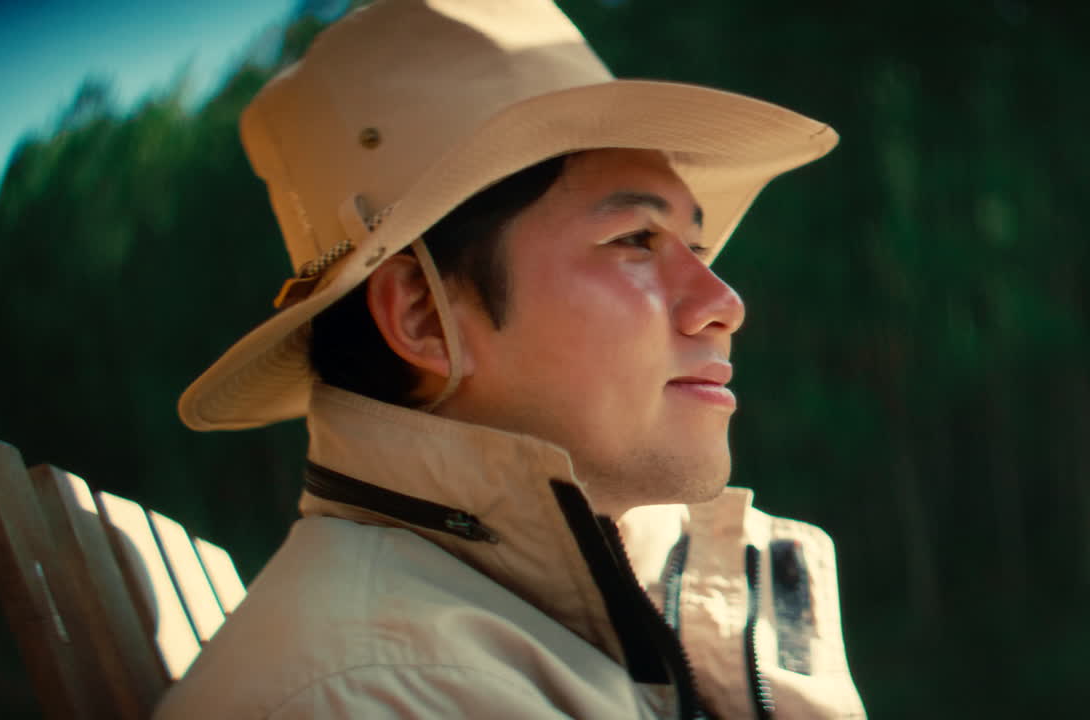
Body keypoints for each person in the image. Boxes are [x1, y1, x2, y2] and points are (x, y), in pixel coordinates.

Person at [156, 0, 866, 717]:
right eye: (635, 239)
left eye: (699, 247)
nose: (724, 303)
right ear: (423, 316)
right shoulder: (376, 694)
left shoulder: (566, 619)